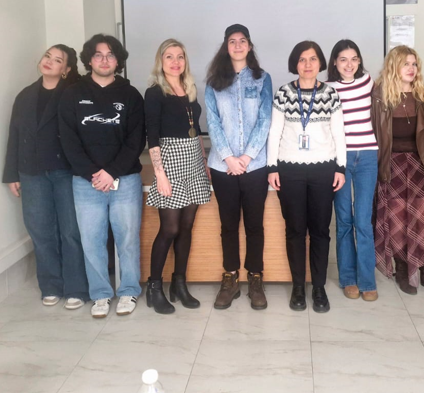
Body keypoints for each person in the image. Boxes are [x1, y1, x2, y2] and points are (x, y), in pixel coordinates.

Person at [59, 34, 146, 318]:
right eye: (98, 55)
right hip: (86, 183)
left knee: (127, 239)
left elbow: (136, 140)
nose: (104, 60)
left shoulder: (131, 95)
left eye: (110, 55)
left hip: (126, 180)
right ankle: (100, 294)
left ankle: (129, 290)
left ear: (118, 61)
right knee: (91, 241)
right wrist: (93, 174)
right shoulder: (72, 94)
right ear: (89, 60)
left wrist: (111, 172)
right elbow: (69, 141)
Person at [3, 45, 89, 309]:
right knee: (40, 231)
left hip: (66, 171)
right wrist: (11, 173)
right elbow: (15, 135)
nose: (49, 62)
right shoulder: (25, 95)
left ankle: (76, 288)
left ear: (66, 69)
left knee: (70, 231)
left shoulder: (72, 94)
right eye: (47, 57)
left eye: (57, 60)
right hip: (31, 172)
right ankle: (51, 285)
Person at [267, 41, 346, 313]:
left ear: (320, 62)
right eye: (302, 59)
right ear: (295, 63)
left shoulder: (331, 94)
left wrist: (341, 168)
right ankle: (299, 287)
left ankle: (319, 287)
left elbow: (339, 133)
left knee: (321, 231)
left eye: (313, 59)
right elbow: (275, 132)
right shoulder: (284, 93)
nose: (308, 64)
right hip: (290, 170)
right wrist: (272, 167)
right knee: (295, 231)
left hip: (324, 170)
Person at [372, 45, 424, 297]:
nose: (411, 68)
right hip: (391, 165)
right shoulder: (379, 96)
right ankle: (402, 268)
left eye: (414, 64)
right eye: (405, 63)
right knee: (396, 220)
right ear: (393, 66)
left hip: (420, 164)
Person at [205, 24, 272, 310]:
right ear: (226, 46)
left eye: (242, 40)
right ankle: (230, 278)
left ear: (249, 45)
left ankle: (255, 278)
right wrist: (229, 158)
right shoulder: (214, 82)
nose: (237, 45)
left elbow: (265, 119)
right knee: (229, 225)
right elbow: (212, 122)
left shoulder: (262, 78)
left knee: (255, 225)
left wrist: (246, 157)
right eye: (232, 41)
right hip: (223, 168)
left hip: (255, 166)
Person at [144, 39, 211, 314]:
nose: (175, 62)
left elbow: (195, 130)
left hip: (193, 159)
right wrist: (159, 174)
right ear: (160, 61)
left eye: (180, 56)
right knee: (169, 228)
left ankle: (179, 284)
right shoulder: (154, 92)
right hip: (169, 160)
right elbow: (152, 136)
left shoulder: (190, 89)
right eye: (169, 56)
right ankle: (154, 287)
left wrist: (204, 162)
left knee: (186, 227)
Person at [326, 40, 378, 302]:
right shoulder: (328, 89)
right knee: (344, 219)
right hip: (340, 159)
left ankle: (368, 281)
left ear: (359, 61)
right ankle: (348, 278)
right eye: (343, 59)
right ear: (335, 62)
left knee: (364, 220)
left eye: (354, 58)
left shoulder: (368, 82)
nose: (349, 64)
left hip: (368, 156)